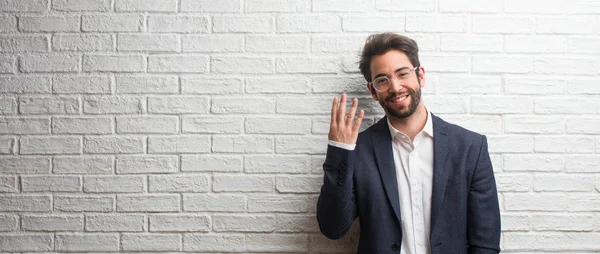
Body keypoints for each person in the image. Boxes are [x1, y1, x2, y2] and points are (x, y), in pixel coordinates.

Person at [316, 32, 501, 254]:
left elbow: (485, 243)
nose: (395, 87)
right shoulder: (360, 150)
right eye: (382, 80)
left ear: (420, 75)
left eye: (402, 73)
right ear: (372, 91)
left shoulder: (470, 147)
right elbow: (332, 227)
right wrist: (341, 151)